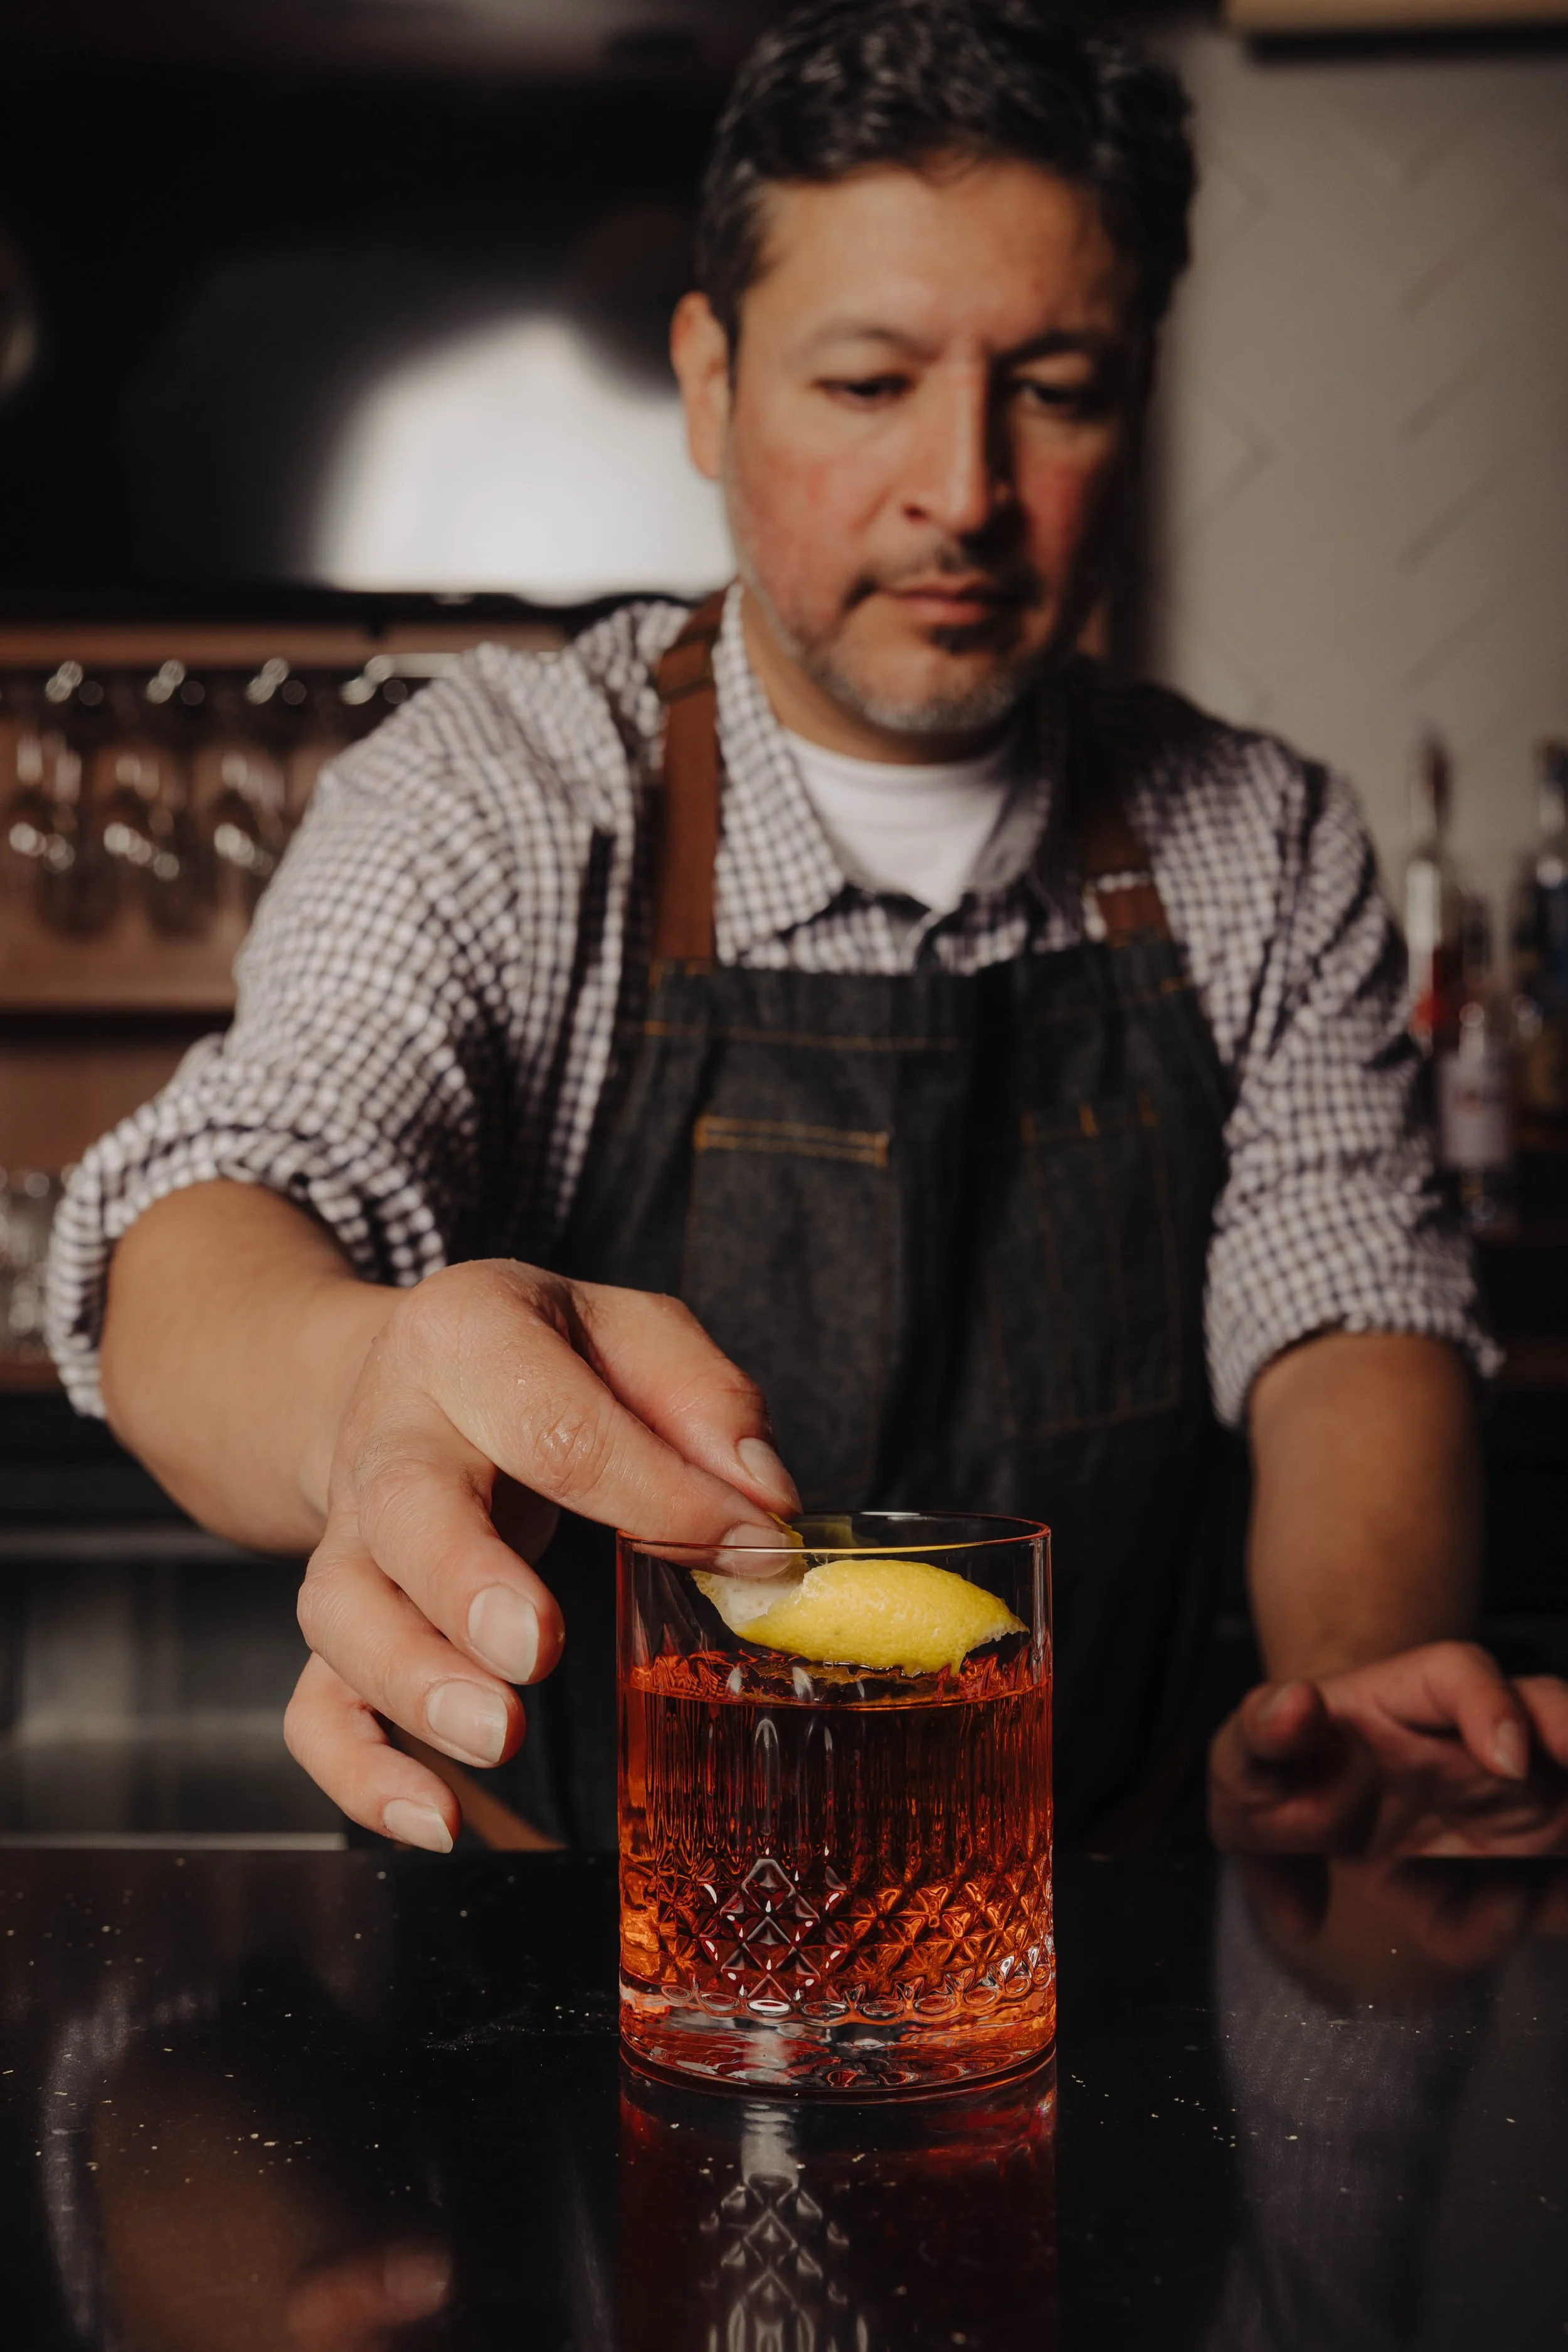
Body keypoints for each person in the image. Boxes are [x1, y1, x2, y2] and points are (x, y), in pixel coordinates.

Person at [46, 0, 1568, 1857]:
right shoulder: (502, 793)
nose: (964, 492)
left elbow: (1346, 1317)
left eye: (1056, 388)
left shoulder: (1258, 835)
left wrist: (1351, 1709)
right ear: (708, 380)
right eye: (867, 384)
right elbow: (217, 1219)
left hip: (1090, 1931)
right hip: (569, 1950)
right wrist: (361, 1384)